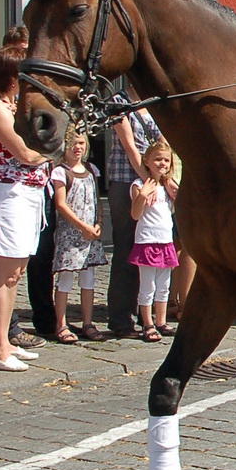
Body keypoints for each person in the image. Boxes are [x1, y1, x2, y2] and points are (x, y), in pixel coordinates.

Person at [0, 45, 50, 370]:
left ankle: (6, 341)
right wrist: (53, 152)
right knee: (3, 273)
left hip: (29, 192)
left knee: (16, 273)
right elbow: (25, 153)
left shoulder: (17, 105)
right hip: (8, 193)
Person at [107, 99, 162, 338]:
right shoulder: (119, 102)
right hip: (126, 179)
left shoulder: (155, 102)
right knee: (127, 247)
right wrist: (150, 182)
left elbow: (163, 145)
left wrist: (165, 179)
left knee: (150, 248)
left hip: (152, 181)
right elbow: (130, 147)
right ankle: (121, 318)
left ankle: (147, 317)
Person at [49, 132, 109, 344]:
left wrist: (98, 224)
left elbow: (97, 200)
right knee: (65, 278)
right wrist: (82, 226)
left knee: (88, 279)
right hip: (71, 233)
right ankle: (61, 323)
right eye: (72, 144)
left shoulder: (92, 170)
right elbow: (61, 204)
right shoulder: (60, 172)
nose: (77, 148)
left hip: (90, 233)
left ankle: (87, 321)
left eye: (81, 143)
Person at [130, 139, 179, 343]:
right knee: (147, 286)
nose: (162, 164)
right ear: (147, 161)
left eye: (166, 160)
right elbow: (135, 214)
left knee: (164, 285)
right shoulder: (139, 185)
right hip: (147, 241)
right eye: (157, 159)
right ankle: (147, 322)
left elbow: (172, 212)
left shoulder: (167, 188)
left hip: (165, 241)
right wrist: (142, 196)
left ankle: (161, 320)